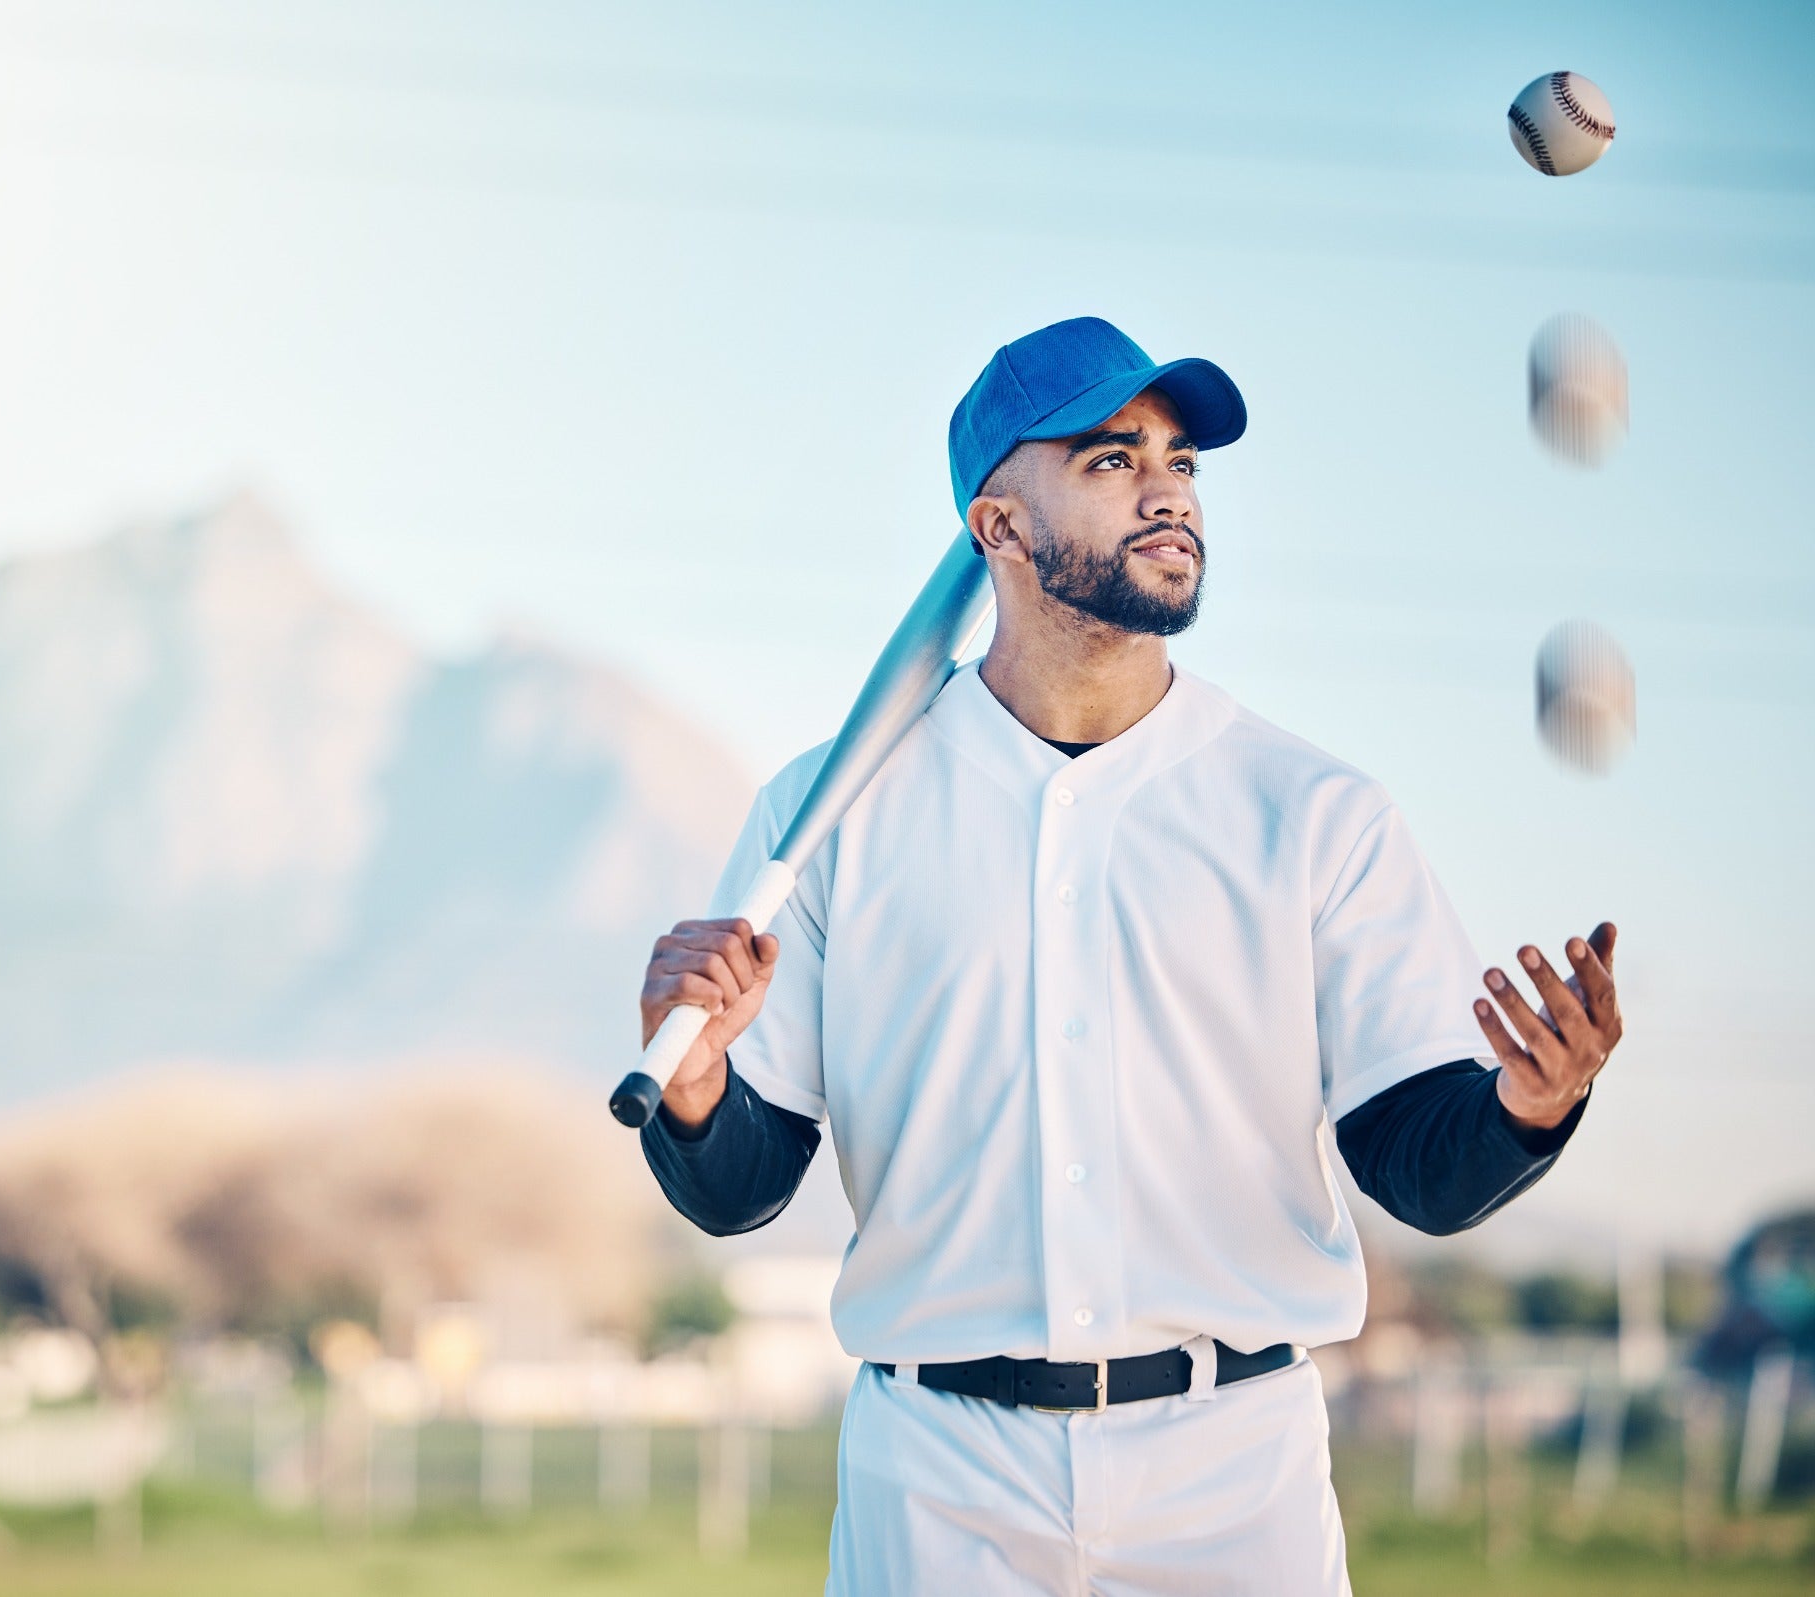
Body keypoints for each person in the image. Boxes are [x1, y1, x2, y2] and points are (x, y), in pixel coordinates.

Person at [633, 316, 1623, 1595]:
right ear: (996, 528)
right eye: (1109, 459)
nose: (1167, 486)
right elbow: (741, 1187)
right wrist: (703, 1087)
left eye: (1182, 460)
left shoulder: (1314, 809)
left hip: (1232, 1477)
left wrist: (1530, 1104)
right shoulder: (827, 809)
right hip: (939, 1483)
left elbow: (1420, 1166)